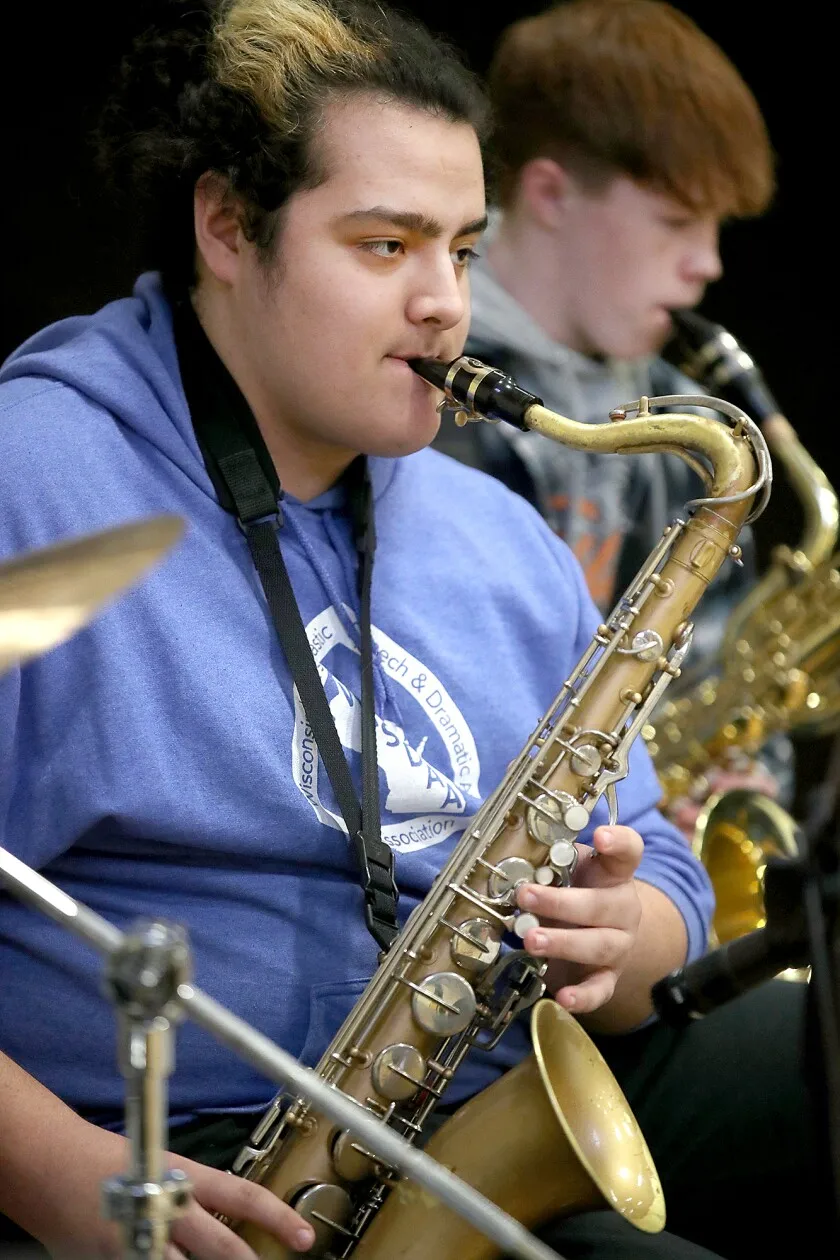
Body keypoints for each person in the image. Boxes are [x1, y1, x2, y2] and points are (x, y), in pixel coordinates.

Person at [0, 2, 826, 1258]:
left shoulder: (494, 528)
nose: (446, 303)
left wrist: (631, 932)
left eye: (463, 248)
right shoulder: (32, 483)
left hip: (485, 1084)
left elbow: (658, 863)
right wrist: (63, 1173)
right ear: (227, 225)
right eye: (386, 246)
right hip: (179, 1141)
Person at [434, 0, 792, 830]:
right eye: (675, 222)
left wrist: (728, 786)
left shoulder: (687, 420)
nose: (708, 265)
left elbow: (712, 659)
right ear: (551, 193)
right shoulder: (419, 382)